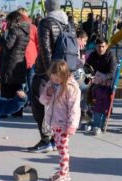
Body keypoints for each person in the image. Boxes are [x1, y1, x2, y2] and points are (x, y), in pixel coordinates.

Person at [29, 0, 74, 153]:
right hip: (64, 69)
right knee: (57, 104)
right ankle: (56, 139)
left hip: (46, 71)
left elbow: (45, 50)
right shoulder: (67, 22)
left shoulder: (45, 22)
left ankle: (45, 139)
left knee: (38, 102)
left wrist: (50, 74)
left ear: (47, 7)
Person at [39, 61, 80, 181]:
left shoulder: (70, 87)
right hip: (54, 122)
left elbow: (74, 108)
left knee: (63, 149)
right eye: (53, 77)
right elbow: (42, 100)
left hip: (63, 123)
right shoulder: (51, 84)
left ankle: (64, 174)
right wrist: (47, 93)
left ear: (64, 75)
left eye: (57, 78)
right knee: (60, 148)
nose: (55, 80)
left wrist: (72, 125)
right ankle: (64, 172)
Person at [0, 10, 30, 118]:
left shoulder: (14, 30)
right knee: (17, 87)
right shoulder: (26, 30)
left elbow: (8, 46)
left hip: (11, 61)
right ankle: (17, 111)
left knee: (6, 87)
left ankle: (3, 111)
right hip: (20, 61)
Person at [85, 37, 117, 135]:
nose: (101, 49)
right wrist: (89, 76)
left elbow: (112, 73)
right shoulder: (93, 55)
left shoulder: (110, 56)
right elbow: (86, 67)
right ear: (96, 46)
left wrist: (102, 78)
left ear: (106, 46)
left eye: (103, 46)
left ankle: (97, 124)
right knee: (82, 91)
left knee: (99, 96)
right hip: (94, 82)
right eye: (99, 46)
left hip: (107, 84)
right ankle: (90, 117)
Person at [18, 8, 39, 109]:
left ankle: (23, 101)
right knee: (31, 82)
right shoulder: (33, 27)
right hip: (32, 57)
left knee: (21, 82)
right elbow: (38, 43)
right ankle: (31, 102)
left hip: (19, 58)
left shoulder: (15, 26)